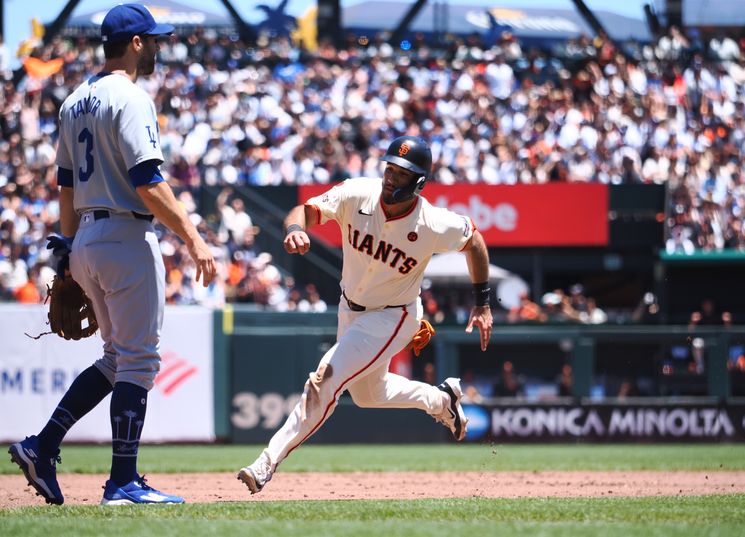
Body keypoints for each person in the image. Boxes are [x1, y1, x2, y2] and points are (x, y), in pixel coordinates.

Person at [8, 4, 216, 506]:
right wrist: (193, 236)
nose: (161, 47)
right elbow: (147, 180)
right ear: (137, 43)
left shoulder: (74, 100)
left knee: (116, 358)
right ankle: (123, 481)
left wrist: (66, 247)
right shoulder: (130, 96)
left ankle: (43, 445)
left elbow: (64, 185)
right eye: (156, 39)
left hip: (84, 237)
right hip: (124, 235)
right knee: (139, 362)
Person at [237, 135, 493, 495]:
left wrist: (482, 303)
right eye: (389, 167)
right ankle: (441, 400)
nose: (391, 177)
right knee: (369, 394)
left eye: (402, 173)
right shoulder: (357, 192)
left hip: (394, 315)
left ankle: (266, 461)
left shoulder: (434, 222)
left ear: (418, 181)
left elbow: (475, 242)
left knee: (325, 379)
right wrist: (296, 228)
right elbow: (305, 211)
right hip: (350, 308)